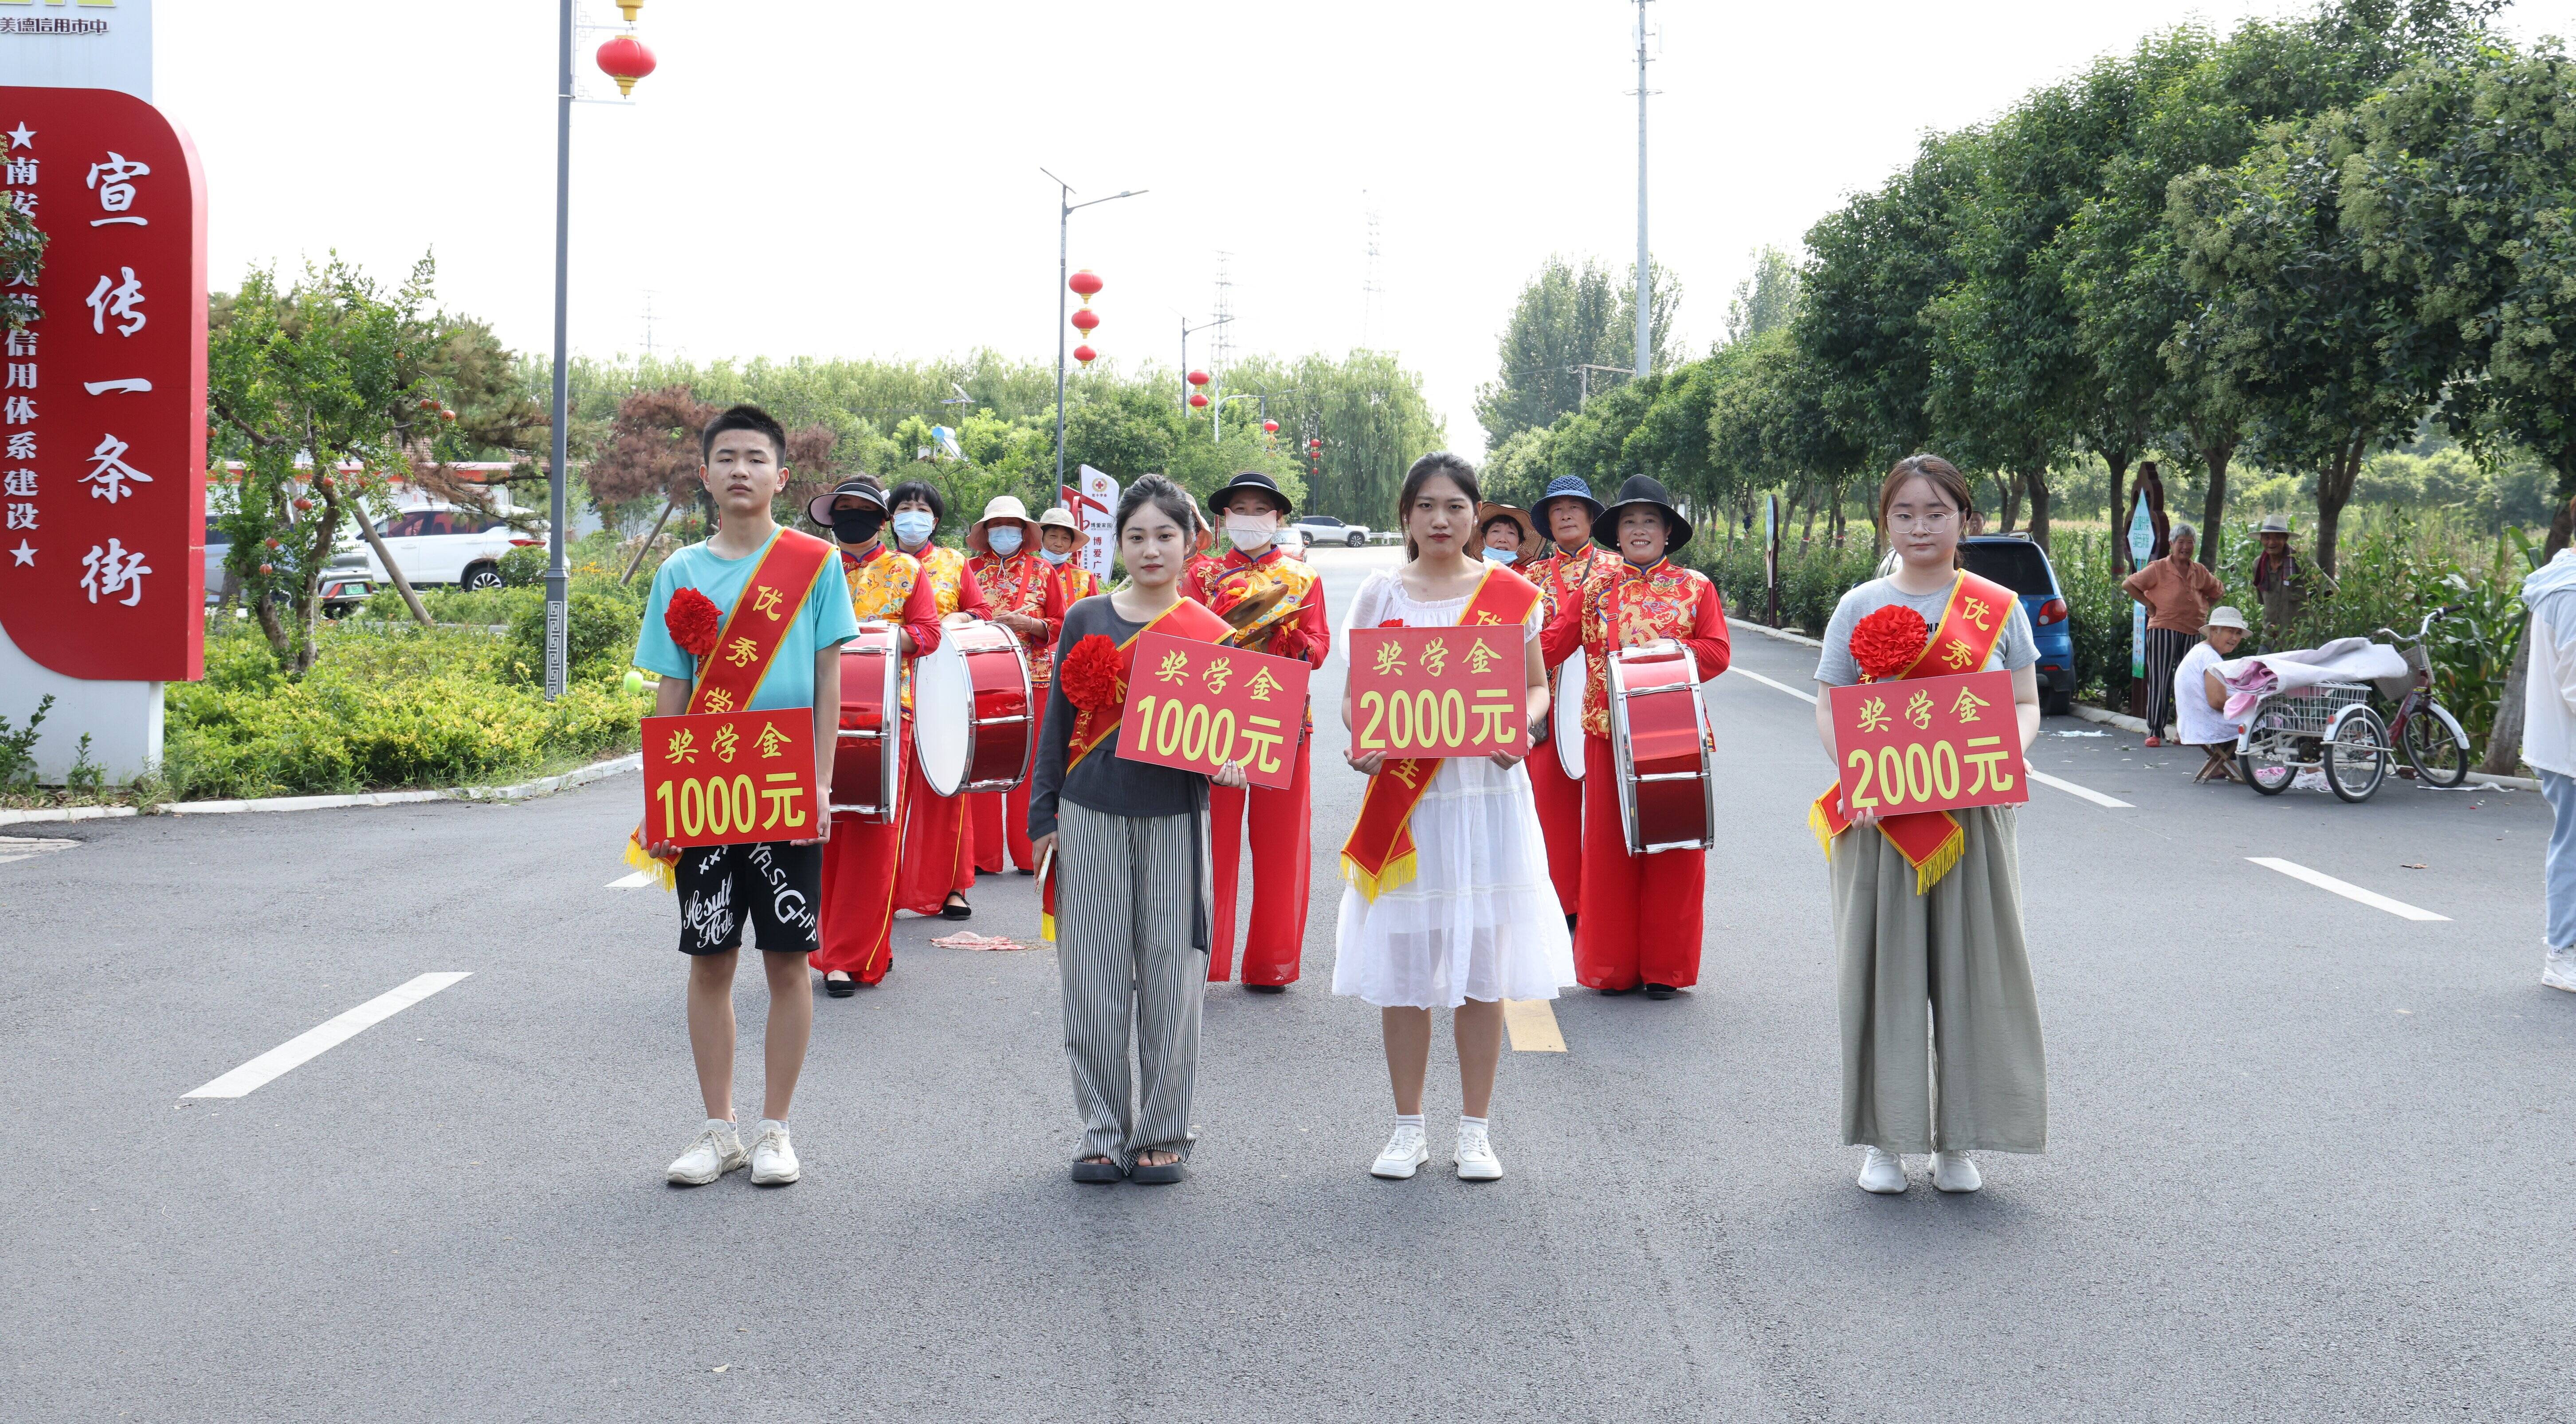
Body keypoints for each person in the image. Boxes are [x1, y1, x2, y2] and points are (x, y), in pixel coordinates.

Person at [629, 405, 860, 1188]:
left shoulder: (815, 564)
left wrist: (823, 782)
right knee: (709, 958)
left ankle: (775, 1131)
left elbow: (831, 679)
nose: (739, 471)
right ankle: (717, 1129)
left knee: (790, 960)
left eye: (755, 459)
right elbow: (671, 689)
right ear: (704, 474)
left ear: (780, 476)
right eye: (725, 458)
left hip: (785, 785)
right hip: (708, 791)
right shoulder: (679, 573)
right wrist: (663, 801)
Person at [1811, 452, 2046, 1196]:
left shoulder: (1996, 608)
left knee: (1973, 974)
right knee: (1883, 975)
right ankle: (1886, 1139)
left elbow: (2024, 705)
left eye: (1936, 512)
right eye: (1904, 512)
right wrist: (1859, 771)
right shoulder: (1856, 605)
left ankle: (1961, 1141)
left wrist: (2013, 750)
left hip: (1970, 820)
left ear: (1965, 520)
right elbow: (1829, 705)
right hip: (1881, 821)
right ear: (1885, 521)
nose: (1920, 526)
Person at [1338, 453, 1573, 1182]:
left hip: (1486, 799)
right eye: (1425, 506)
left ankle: (1475, 1130)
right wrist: (1363, 742)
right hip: (1411, 809)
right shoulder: (1380, 596)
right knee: (1407, 966)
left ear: (1476, 515)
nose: (1440, 520)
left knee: (1481, 966)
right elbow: (1355, 697)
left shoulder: (1509, 596)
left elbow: (1535, 689)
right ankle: (1406, 1127)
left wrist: (1522, 730)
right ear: (1405, 516)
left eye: (1454, 506)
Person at [1028, 474, 1247, 1184]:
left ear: (1190, 543)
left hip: (1176, 820)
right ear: (1117, 542)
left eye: (1165, 535)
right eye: (1136, 536)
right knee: (1089, 975)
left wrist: (1236, 762)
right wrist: (1044, 815)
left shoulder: (1213, 634)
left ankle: (1163, 1130)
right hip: (1090, 813)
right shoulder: (1085, 617)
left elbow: (1230, 742)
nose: (1151, 549)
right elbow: (1055, 727)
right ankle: (1100, 1126)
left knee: (1172, 977)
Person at [1539, 474, 1730, 999]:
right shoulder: (1596, 588)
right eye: (1630, 522)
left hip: (1676, 732)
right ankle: (1609, 967)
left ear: (1668, 532)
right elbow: (1554, 644)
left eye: (1650, 521)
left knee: (1675, 846)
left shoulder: (1696, 587)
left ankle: (1666, 970)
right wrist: (1497, 654)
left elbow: (1718, 651)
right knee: (1608, 849)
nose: (1640, 530)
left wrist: (1666, 654)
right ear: (1616, 535)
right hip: (1606, 734)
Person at [804, 475, 943, 997]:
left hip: (887, 713)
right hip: (816, 715)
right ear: (830, 517)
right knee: (823, 829)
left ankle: (855, 952)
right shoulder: (817, 568)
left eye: (862, 510)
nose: (851, 519)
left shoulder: (907, 570)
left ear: (881, 520)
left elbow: (928, 633)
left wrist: (874, 640)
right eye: (842, 510)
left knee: (875, 834)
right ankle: (831, 947)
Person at [1195, 472, 1331, 993]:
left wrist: (1295, 638)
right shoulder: (1201, 575)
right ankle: (1204, 958)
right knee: (1212, 844)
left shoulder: (1303, 578)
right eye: (1240, 509)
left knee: (1281, 845)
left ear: (1278, 519)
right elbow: (1178, 638)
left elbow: (1319, 649)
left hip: (1285, 719)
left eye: (1261, 509)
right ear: (1225, 518)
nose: (1249, 518)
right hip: (1212, 720)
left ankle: (1271, 962)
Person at [887, 481, 993, 922]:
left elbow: (983, 612)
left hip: (942, 689)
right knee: (887, 796)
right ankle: (883, 887)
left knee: (946, 790)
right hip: (884, 691)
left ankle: (954, 887)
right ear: (889, 516)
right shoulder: (878, 566)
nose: (914, 515)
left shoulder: (953, 563)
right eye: (905, 507)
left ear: (935, 518)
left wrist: (959, 616)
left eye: (923, 508)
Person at [1522, 475, 1608, 928]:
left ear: (1592, 517)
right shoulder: (1528, 579)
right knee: (1550, 809)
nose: (1567, 515)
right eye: (1558, 510)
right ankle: (1563, 905)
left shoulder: (1617, 570)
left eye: (1576, 507)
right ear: (1549, 523)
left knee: (1605, 810)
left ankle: (1600, 901)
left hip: (1605, 706)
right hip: (1546, 706)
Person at [965, 495, 1067, 877]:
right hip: (981, 680)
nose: (1003, 532)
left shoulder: (1043, 572)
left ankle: (1028, 852)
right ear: (986, 531)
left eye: (1011, 525)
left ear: (1024, 532)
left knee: (1032, 764)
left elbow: (1060, 623)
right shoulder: (969, 569)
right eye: (996, 525)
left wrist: (1031, 626)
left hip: (1035, 678)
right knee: (983, 763)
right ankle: (983, 855)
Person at [2521, 532, 2576, 992]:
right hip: (2570, 748)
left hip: (2560, 742)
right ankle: (2563, 954)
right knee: (2573, 847)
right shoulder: (2572, 592)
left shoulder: (2559, 578)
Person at [2121, 521, 2223, 747]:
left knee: (2190, 683)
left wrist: (2204, 606)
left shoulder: (2199, 571)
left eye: (2190, 543)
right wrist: (2149, 604)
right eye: (2181, 542)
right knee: (2160, 678)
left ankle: (2184, 732)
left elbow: (2218, 590)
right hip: (2163, 628)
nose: (2185, 547)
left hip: (2193, 630)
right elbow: (2129, 584)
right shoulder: (2158, 567)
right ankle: (2155, 731)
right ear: (2171, 544)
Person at [2173, 606, 2250, 784]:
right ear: (2215, 630)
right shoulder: (2210, 658)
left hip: (2193, 722)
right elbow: (2217, 702)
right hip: (2208, 724)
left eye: (2238, 633)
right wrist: (2249, 701)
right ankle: (2308, 765)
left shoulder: (2200, 651)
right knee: (2275, 717)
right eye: (2230, 631)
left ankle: (2219, 765)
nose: (2235, 638)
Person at [2251, 513, 2329, 640]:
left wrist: (2323, 623)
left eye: (2277, 537)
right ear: (2261, 539)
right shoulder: (2258, 565)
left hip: (2299, 638)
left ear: (2285, 539)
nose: (2271, 542)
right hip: (2271, 636)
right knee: (2260, 660)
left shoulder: (2302, 562)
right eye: (2267, 538)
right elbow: (2263, 601)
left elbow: (2328, 592)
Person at [1477, 502, 1536, 566]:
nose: (1503, 539)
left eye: (1511, 533)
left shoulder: (1528, 575)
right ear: (1483, 538)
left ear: (1520, 542)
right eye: (1496, 531)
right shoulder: (1469, 574)